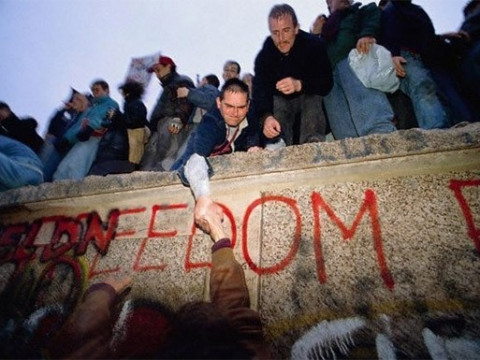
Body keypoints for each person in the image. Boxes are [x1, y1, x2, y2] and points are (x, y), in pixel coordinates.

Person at [252, 4, 333, 149]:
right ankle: (278, 143)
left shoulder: (314, 45)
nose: (281, 38)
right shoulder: (265, 55)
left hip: (312, 104)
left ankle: (313, 143)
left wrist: (300, 85)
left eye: (286, 30)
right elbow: (260, 89)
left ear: (296, 28)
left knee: (312, 96)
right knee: (278, 100)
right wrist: (266, 116)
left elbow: (326, 83)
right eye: (275, 32)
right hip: (282, 107)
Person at [318, 0, 397, 140]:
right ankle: (351, 147)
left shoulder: (358, 12)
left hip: (352, 61)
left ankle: (382, 134)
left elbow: (373, 15)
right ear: (329, 4)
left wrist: (367, 33)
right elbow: (311, 51)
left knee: (363, 97)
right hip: (328, 75)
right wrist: (314, 33)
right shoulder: (325, 28)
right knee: (338, 114)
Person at [380, 0, 453, 129]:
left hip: (426, 59)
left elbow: (425, 35)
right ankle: (436, 130)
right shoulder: (391, 9)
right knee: (422, 87)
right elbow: (389, 31)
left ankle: (443, 127)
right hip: (406, 56)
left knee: (435, 93)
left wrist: (441, 38)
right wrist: (394, 54)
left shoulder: (415, 10)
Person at [171, 78, 261, 181]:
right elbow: (195, 159)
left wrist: (253, 148)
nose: (235, 113)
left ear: (248, 106)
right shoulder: (210, 123)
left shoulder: (253, 119)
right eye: (229, 106)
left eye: (241, 107)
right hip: (187, 166)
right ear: (219, 102)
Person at [53, 79, 119, 181]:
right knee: (64, 168)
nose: (94, 92)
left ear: (106, 90)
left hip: (94, 138)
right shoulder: (92, 108)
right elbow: (80, 125)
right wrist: (67, 139)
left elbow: (108, 120)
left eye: (97, 89)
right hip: (81, 138)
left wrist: (91, 127)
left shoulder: (112, 104)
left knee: (76, 166)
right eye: (93, 90)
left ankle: (71, 191)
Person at [141, 55, 195, 171]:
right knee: (150, 160)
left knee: (165, 158)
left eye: (158, 69)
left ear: (169, 66)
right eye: (154, 71)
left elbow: (185, 101)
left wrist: (179, 118)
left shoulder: (181, 81)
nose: (156, 73)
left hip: (171, 124)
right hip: (160, 127)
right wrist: (150, 127)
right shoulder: (167, 86)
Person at [40, 91, 92, 181]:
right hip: (57, 145)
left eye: (78, 99)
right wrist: (63, 110)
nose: (74, 101)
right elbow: (53, 126)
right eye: (74, 99)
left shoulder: (85, 116)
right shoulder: (69, 114)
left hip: (67, 148)